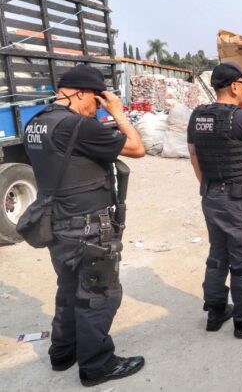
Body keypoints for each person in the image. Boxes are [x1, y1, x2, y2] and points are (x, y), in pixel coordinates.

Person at [23, 64, 146, 387]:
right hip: (89, 227)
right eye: (96, 99)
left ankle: (62, 353)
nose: (97, 108)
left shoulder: (36, 123)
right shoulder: (77, 126)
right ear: (80, 94)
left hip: (58, 224)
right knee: (99, 294)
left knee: (68, 289)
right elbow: (137, 148)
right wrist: (118, 113)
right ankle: (97, 364)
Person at [187, 62, 242, 339]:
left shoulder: (197, 116)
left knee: (218, 255)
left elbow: (193, 154)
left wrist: (209, 186)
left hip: (211, 194)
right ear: (235, 86)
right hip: (239, 200)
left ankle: (215, 312)